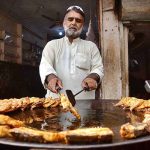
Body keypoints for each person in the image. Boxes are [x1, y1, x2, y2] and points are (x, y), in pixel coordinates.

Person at [39, 5, 104, 99]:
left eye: (78, 20)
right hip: (55, 103)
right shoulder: (52, 45)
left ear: (82, 25)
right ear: (63, 23)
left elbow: (98, 68)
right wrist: (51, 78)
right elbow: (45, 66)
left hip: (85, 105)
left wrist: (92, 77)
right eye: (70, 19)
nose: (73, 23)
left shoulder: (91, 47)